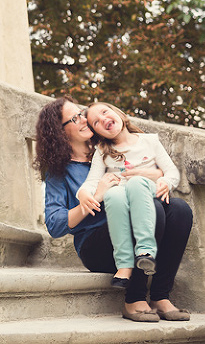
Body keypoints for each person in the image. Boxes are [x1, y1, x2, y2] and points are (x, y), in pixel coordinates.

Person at [36, 96, 193, 322]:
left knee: (179, 209)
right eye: (74, 118)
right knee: (154, 212)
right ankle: (134, 299)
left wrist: (157, 175)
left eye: (81, 114)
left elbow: (150, 170)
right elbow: (55, 224)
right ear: (60, 133)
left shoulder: (108, 148)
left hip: (136, 225)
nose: (83, 120)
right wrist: (91, 199)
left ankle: (160, 296)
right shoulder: (59, 171)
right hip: (97, 244)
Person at [78, 102, 181, 290]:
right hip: (123, 198)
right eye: (96, 122)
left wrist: (166, 183)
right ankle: (124, 264)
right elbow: (92, 182)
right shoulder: (102, 151)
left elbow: (172, 172)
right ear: (98, 132)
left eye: (105, 112)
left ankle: (145, 251)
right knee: (114, 194)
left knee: (135, 183)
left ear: (119, 113)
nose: (103, 119)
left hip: (147, 191)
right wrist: (84, 193)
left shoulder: (149, 141)